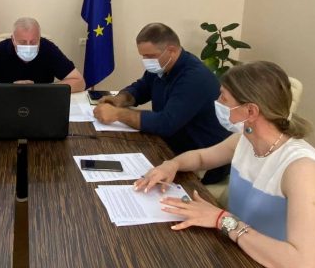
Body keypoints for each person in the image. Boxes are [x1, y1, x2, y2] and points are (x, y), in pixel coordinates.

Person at [135, 61, 315, 268]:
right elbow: (201, 158)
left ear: (250, 111)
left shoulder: (301, 169)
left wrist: (222, 219)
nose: (217, 103)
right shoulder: (246, 139)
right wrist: (171, 165)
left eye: (224, 98)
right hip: (243, 256)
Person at [93, 22, 230, 182]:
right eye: (143, 56)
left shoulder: (194, 78)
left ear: (171, 50)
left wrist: (118, 114)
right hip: (169, 146)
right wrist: (120, 99)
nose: (146, 61)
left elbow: (166, 123)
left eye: (150, 56)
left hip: (201, 163)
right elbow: (142, 88)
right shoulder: (162, 66)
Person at [0, 17, 86, 92]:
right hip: (6, 100)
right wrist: (5, 89)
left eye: (33, 42)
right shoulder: (1, 49)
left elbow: (80, 82)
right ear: (13, 39)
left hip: (42, 101)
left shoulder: (48, 48)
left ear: (39, 39)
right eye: (22, 42)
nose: (28, 46)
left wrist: (42, 89)